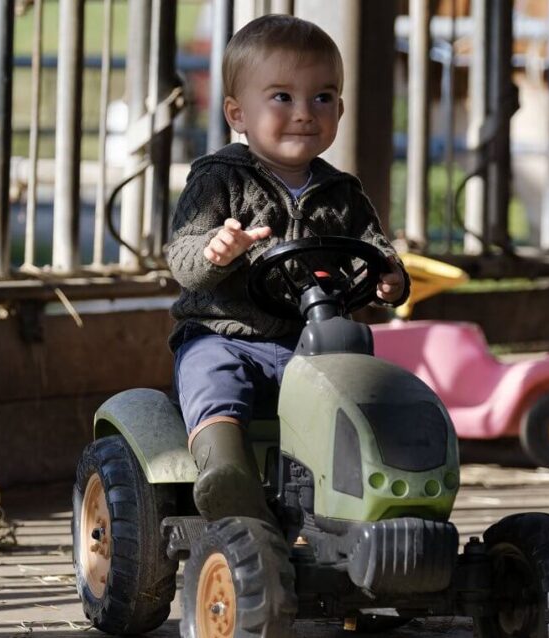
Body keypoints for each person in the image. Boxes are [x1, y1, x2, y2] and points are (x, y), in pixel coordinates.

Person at [167, 14, 410, 523]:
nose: (304, 113)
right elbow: (182, 256)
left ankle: (369, 489)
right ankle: (226, 471)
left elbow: (373, 251)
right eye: (282, 97)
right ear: (237, 113)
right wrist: (215, 249)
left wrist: (390, 280)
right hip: (227, 332)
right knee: (211, 372)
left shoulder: (342, 191)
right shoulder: (220, 178)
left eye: (322, 97)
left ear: (340, 108)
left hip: (311, 343)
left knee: (367, 375)